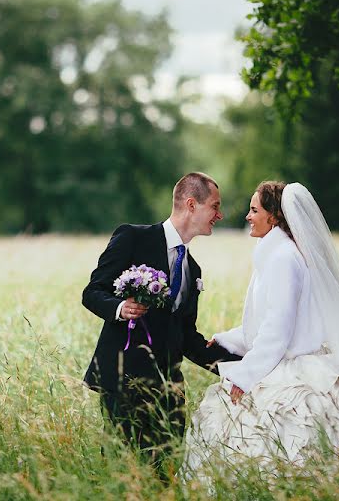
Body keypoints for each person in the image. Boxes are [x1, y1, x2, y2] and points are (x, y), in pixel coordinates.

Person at [181, 181, 339, 488]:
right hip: (286, 357)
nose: (248, 217)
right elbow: (268, 322)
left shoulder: (283, 258)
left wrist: (245, 376)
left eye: (255, 210)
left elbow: (277, 332)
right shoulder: (275, 254)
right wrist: (228, 339)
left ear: (275, 217)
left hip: (295, 367)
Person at [82, 172, 241, 471]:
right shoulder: (133, 237)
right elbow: (92, 292)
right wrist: (120, 308)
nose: (219, 215)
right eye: (215, 206)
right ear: (192, 205)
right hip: (124, 380)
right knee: (124, 470)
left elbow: (187, 337)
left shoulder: (193, 269)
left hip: (170, 390)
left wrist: (240, 366)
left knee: (166, 473)